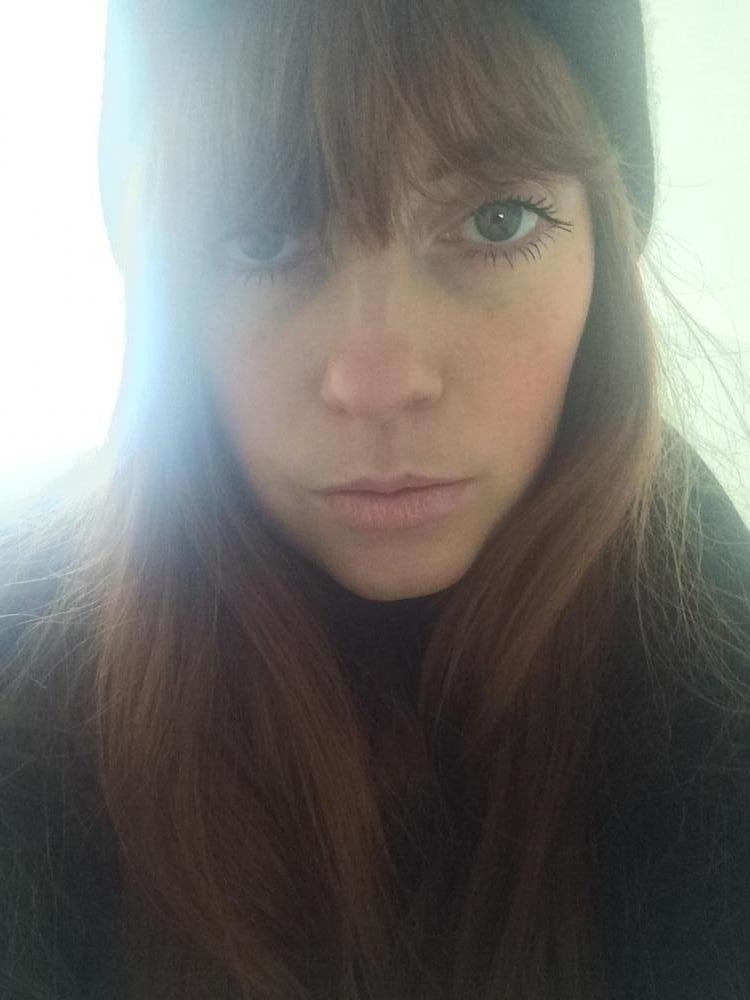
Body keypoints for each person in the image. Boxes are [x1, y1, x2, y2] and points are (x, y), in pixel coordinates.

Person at [1, 0, 748, 997]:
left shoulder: (715, 653)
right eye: (262, 238)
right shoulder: (33, 666)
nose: (379, 379)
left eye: (496, 220)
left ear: (604, 257)